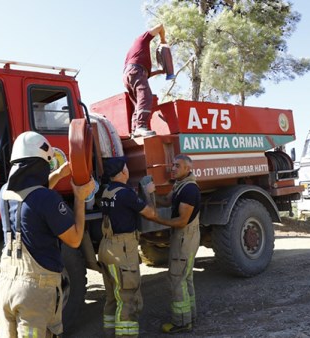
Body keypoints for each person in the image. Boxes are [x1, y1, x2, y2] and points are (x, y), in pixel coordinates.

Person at [0, 131, 95, 338]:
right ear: (40, 165)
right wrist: (80, 198)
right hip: (33, 294)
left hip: (5, 285)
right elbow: (75, 239)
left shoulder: (5, 192)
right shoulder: (47, 199)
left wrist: (59, 174)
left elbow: (31, 195)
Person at [98, 157, 157, 337]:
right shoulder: (126, 194)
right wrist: (149, 193)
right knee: (128, 298)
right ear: (123, 172)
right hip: (122, 250)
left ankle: (110, 333)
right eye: (126, 167)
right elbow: (151, 214)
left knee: (112, 298)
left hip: (106, 247)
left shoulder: (107, 191)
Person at [153, 154, 201, 334]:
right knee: (185, 278)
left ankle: (181, 322)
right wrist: (149, 195)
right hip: (182, 237)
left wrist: (157, 219)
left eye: (177, 166)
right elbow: (166, 201)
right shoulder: (179, 185)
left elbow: (181, 221)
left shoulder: (189, 190)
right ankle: (190, 316)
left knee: (176, 279)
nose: (172, 168)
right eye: (172, 165)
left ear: (188, 169)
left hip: (184, 238)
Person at [123, 23, 167, 138]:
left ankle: (134, 130)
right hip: (135, 72)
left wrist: (160, 71)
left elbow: (143, 74)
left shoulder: (135, 55)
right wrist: (163, 40)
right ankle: (141, 126)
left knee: (138, 104)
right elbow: (160, 26)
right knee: (146, 96)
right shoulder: (142, 39)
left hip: (130, 74)